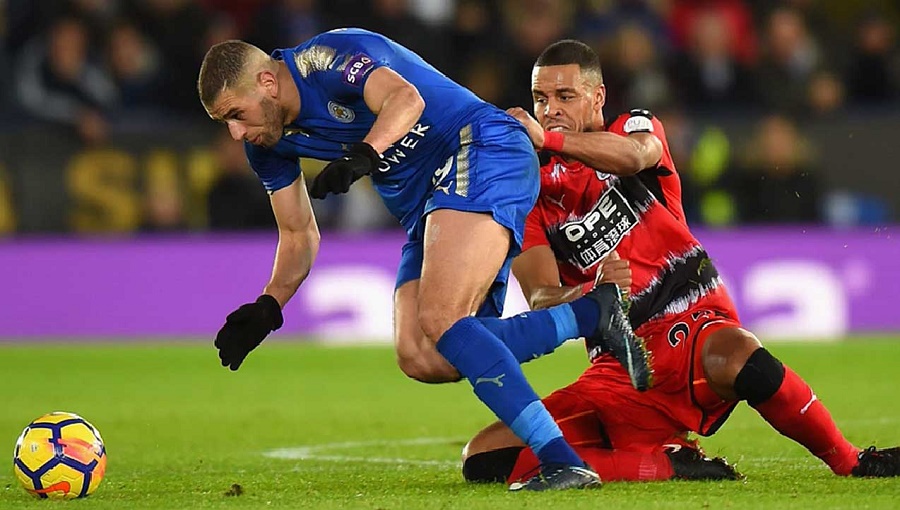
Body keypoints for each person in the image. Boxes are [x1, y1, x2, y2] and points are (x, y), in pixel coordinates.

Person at [196, 28, 652, 491]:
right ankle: (591, 313)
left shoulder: (327, 58)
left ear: (268, 84)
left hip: (481, 147)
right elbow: (297, 233)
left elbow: (405, 99)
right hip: (430, 206)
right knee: (423, 355)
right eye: (225, 123)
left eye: (237, 114)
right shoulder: (265, 145)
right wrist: (269, 306)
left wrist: (364, 155)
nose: (236, 133)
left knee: (441, 316)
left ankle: (561, 460)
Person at [461, 39, 900, 486]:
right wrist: (593, 294)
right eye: (540, 99)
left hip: (694, 325)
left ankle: (852, 461)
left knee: (744, 361)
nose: (549, 108)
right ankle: (671, 464)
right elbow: (540, 297)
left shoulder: (635, 126)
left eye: (564, 96)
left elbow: (634, 157)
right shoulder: (531, 194)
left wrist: (548, 139)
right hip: (620, 365)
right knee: (482, 459)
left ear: (598, 97)